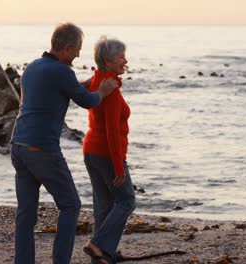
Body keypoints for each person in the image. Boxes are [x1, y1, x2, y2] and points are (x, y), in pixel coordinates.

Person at [10, 23, 118, 264]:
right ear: (67, 47)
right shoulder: (61, 72)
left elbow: (65, 90)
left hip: (18, 146)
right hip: (42, 149)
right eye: (78, 49)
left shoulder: (34, 67)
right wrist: (103, 91)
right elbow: (88, 102)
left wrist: (90, 83)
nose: (79, 54)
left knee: (26, 214)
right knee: (71, 205)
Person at [82, 36, 136, 264]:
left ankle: (103, 256)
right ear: (108, 60)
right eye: (121, 57)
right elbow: (113, 132)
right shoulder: (110, 88)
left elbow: (80, 89)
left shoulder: (97, 80)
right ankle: (99, 244)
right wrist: (118, 167)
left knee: (104, 205)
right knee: (126, 201)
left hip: (90, 150)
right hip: (105, 153)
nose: (125, 61)